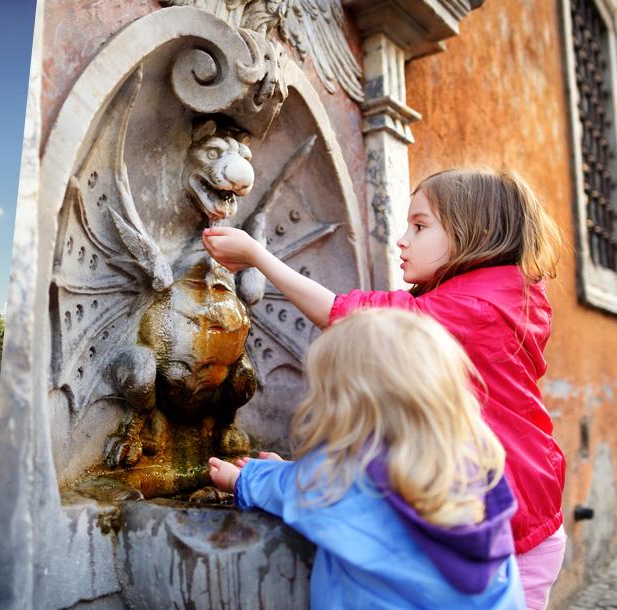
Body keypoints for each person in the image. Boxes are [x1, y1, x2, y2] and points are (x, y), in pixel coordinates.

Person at [203, 168, 565, 608]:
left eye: (420, 225)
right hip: (516, 503)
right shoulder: (506, 295)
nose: (403, 239)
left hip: (511, 527)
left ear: (474, 233)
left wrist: (259, 257)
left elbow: (347, 313)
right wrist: (295, 475)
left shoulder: (472, 308)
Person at [207, 309, 522, 608]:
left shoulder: (336, 479)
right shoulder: (474, 470)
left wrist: (244, 478)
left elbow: (297, 488)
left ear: (346, 407)